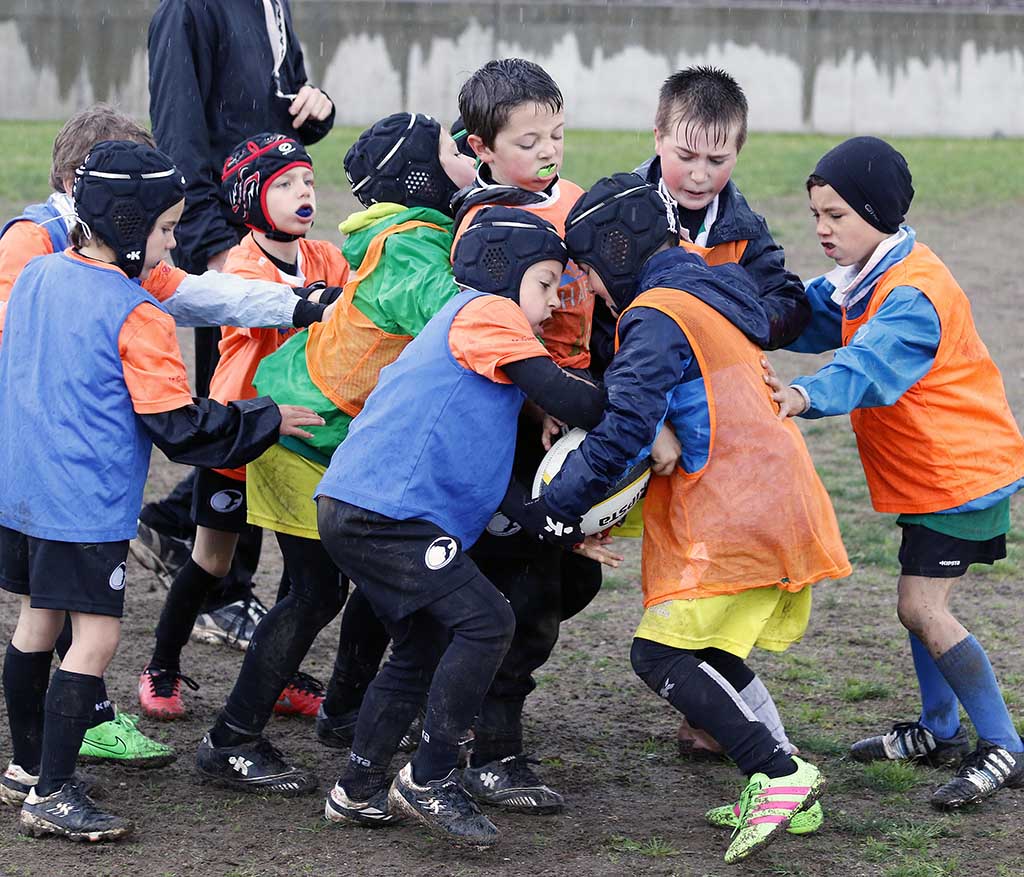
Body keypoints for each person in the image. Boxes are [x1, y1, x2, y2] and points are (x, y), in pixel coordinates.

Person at [0, 141, 322, 841]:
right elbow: (180, 427)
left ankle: (26, 768)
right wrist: (264, 417)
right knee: (96, 639)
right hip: (84, 503)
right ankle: (51, 796)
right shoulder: (137, 312)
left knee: (36, 623)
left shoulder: (38, 272)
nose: (173, 243)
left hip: (23, 491)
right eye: (167, 228)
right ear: (125, 225)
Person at [544, 174, 850, 863]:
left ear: (616, 253)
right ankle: (793, 785)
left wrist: (554, 508)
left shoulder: (656, 313)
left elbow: (626, 427)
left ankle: (777, 773)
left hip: (739, 506)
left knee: (657, 654)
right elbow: (660, 414)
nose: (588, 287)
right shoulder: (704, 288)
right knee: (712, 652)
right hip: (770, 494)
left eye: (588, 270)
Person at [317, 207, 616, 845]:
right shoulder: (485, 312)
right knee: (488, 622)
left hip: (368, 510)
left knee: (422, 646)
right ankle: (429, 779)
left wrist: (558, 529)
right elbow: (575, 399)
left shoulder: (485, 352)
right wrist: (640, 402)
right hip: (385, 515)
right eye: (545, 285)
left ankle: (357, 790)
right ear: (503, 274)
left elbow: (494, 483)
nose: (552, 306)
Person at [766, 136, 1024, 810]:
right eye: (816, 214)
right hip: (931, 477)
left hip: (961, 476)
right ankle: (940, 730)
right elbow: (808, 316)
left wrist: (804, 394)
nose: (822, 229)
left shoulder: (912, 294)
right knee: (916, 604)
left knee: (921, 606)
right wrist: (740, 310)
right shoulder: (869, 273)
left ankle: (1004, 744)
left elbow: (869, 364)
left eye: (837, 215)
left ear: (877, 213)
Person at [247, 112, 478, 753]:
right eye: (451, 150)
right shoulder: (409, 247)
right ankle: (232, 737)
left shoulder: (415, 230)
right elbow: (457, 318)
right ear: (422, 177)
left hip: (331, 434)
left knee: (373, 586)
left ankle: (344, 712)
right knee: (313, 594)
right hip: (300, 432)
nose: (465, 156)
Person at [628, 64, 813, 756]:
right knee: (660, 575)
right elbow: (599, 326)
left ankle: (732, 730)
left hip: (723, 433)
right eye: (686, 155)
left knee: (713, 575)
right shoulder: (624, 213)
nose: (701, 174)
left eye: (718, 159)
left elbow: (788, 302)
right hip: (646, 421)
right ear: (657, 136)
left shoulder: (741, 223)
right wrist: (650, 423)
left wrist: (725, 311)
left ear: (739, 151)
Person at [141, 0, 337, 644]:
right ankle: (220, 596)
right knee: (239, 397)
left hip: (265, 237)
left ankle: (174, 523)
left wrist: (316, 109)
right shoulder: (188, 9)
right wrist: (213, 249)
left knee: (272, 396)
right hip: (229, 246)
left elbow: (279, 115)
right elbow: (178, 134)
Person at [139, 132, 343, 722]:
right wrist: (321, 299)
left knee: (303, 572)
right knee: (212, 561)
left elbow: (351, 300)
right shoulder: (241, 264)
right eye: (285, 184)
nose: (304, 192)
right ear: (251, 198)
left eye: (308, 180)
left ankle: (279, 674)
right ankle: (161, 666)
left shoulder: (325, 255)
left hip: (302, 435)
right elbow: (271, 301)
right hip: (241, 432)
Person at [450, 58, 605, 814]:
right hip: (513, 427)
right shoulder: (482, 224)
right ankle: (491, 747)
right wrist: (537, 406)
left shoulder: (575, 203)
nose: (548, 152)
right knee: (527, 588)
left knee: (571, 579)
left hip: (570, 413)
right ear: (482, 148)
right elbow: (485, 345)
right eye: (528, 141)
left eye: (557, 135)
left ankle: (463, 709)